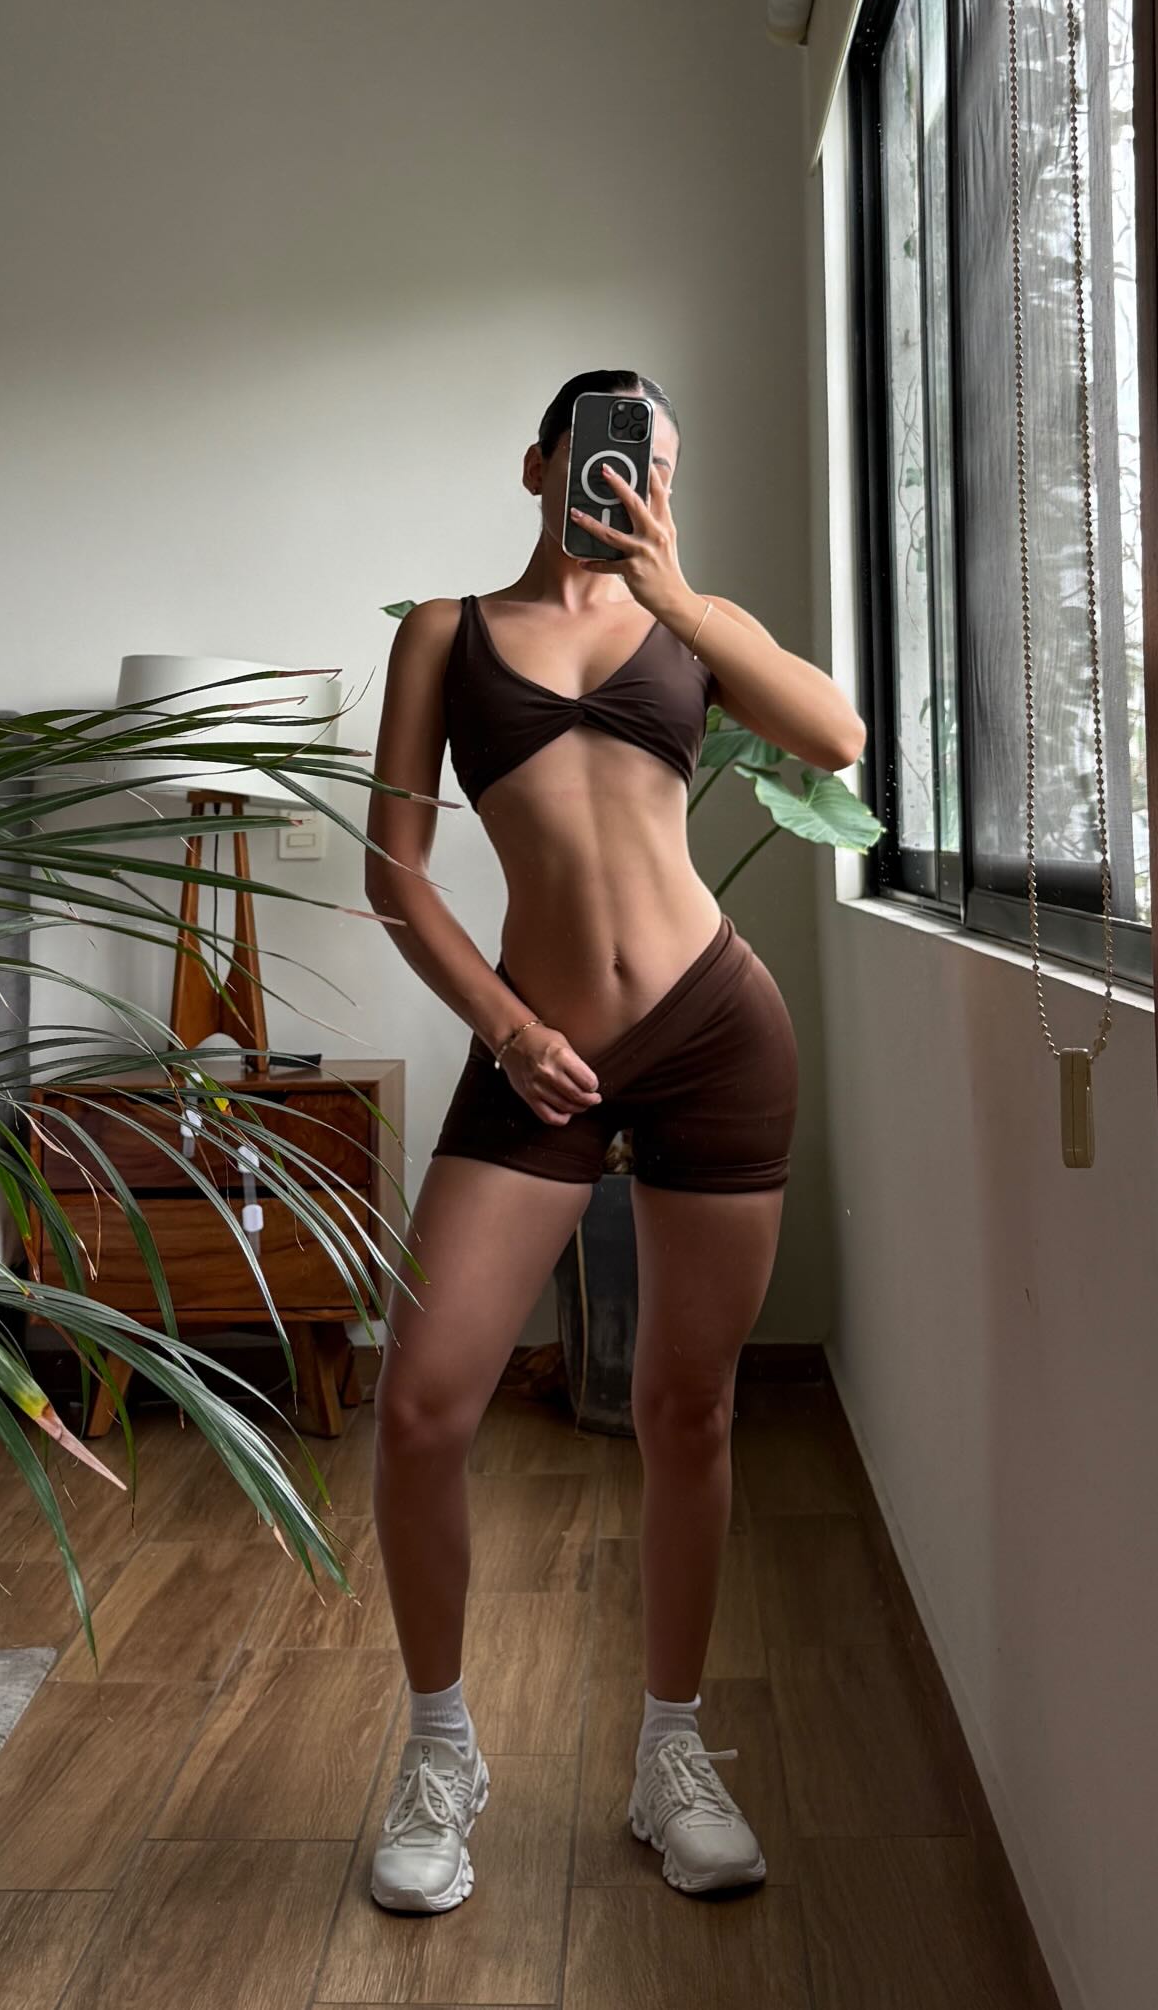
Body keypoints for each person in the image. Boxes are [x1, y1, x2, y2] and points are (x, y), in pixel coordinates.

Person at [362, 368, 865, 1914]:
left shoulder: (688, 624)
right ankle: (441, 1755)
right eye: (601, 453)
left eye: (654, 463)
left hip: (716, 1029)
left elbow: (835, 737)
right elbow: (396, 870)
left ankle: (671, 1753)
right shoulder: (445, 633)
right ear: (539, 462)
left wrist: (680, 595)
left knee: (687, 1407)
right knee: (423, 1404)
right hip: (540, 1053)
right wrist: (508, 1029)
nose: (627, 481)